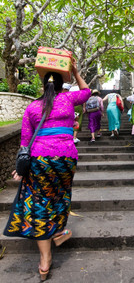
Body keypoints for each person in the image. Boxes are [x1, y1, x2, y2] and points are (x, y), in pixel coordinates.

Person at [3, 60, 91, 281]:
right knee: (60, 196)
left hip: (40, 160)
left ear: (43, 86)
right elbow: (87, 91)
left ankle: (45, 260)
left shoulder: (32, 107)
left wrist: (20, 169)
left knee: (41, 201)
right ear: (62, 84)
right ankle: (58, 232)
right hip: (65, 159)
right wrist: (76, 72)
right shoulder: (69, 99)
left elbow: (25, 141)